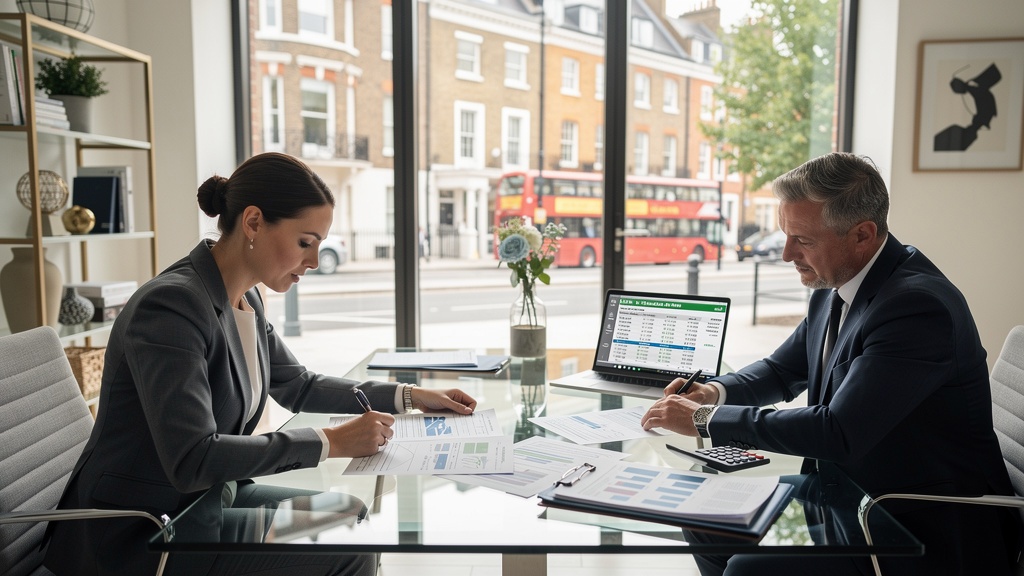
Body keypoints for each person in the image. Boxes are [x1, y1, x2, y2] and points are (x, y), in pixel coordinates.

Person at [44, 152, 478, 576]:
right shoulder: (171, 306)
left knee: (353, 515)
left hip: (206, 500)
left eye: (319, 245)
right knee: (349, 544)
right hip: (141, 529)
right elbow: (192, 458)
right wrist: (332, 441)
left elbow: (299, 385)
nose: (312, 261)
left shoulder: (244, 296)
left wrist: (411, 396)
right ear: (253, 222)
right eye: (304, 242)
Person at [640, 152, 1020, 575]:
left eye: (802, 240)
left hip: (914, 523)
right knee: (704, 514)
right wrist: (713, 391)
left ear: (862, 234)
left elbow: (837, 432)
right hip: (846, 494)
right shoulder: (835, 282)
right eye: (785, 235)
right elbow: (783, 370)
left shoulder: (916, 308)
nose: (786, 254)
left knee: (750, 570)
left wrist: (705, 418)